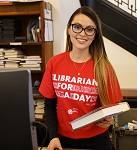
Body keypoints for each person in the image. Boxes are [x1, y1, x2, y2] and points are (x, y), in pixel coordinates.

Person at [39, 6, 123, 150]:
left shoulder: (104, 67)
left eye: (89, 29)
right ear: (69, 29)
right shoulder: (54, 62)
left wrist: (109, 119)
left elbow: (110, 110)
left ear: (95, 34)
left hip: (97, 142)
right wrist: (53, 137)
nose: (82, 33)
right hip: (61, 140)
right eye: (77, 27)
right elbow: (49, 105)